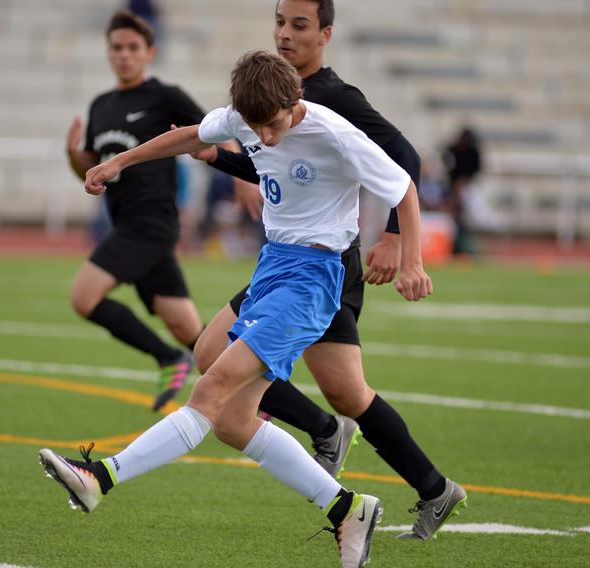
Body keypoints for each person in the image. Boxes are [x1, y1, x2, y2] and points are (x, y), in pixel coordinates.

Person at [40, 49, 432, 568]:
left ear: (295, 101)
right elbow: (191, 135)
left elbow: (404, 186)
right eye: (254, 128)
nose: (264, 139)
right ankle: (348, 509)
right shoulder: (243, 115)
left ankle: (100, 477)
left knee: (212, 390)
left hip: (313, 279)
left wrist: (411, 259)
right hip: (273, 267)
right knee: (227, 409)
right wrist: (119, 161)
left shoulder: (335, 133)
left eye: (272, 127)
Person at [188, 0, 467, 540]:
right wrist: (219, 160)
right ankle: (419, 479)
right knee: (234, 360)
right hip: (285, 263)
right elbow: (273, 157)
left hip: (325, 264)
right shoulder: (268, 93)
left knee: (343, 392)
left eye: (299, 26)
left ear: (326, 34)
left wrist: (393, 238)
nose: (285, 35)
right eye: (279, 24)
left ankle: (413, 476)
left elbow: (403, 159)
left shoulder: (335, 99)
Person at [64, 11, 204, 411]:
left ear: (150, 52)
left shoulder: (165, 96)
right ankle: (261, 394)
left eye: (133, 48)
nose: (124, 55)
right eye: (117, 48)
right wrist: (72, 155)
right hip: (128, 224)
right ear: (108, 52)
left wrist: (244, 178)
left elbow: (215, 131)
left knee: (83, 297)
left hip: (152, 223)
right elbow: (90, 170)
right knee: (190, 330)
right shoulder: (102, 105)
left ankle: (167, 357)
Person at [443, 126, 482, 256]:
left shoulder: (474, 152)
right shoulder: (451, 150)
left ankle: (468, 245)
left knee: (471, 214)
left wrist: (462, 184)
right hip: (449, 188)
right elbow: (445, 169)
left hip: (467, 187)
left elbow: (475, 172)